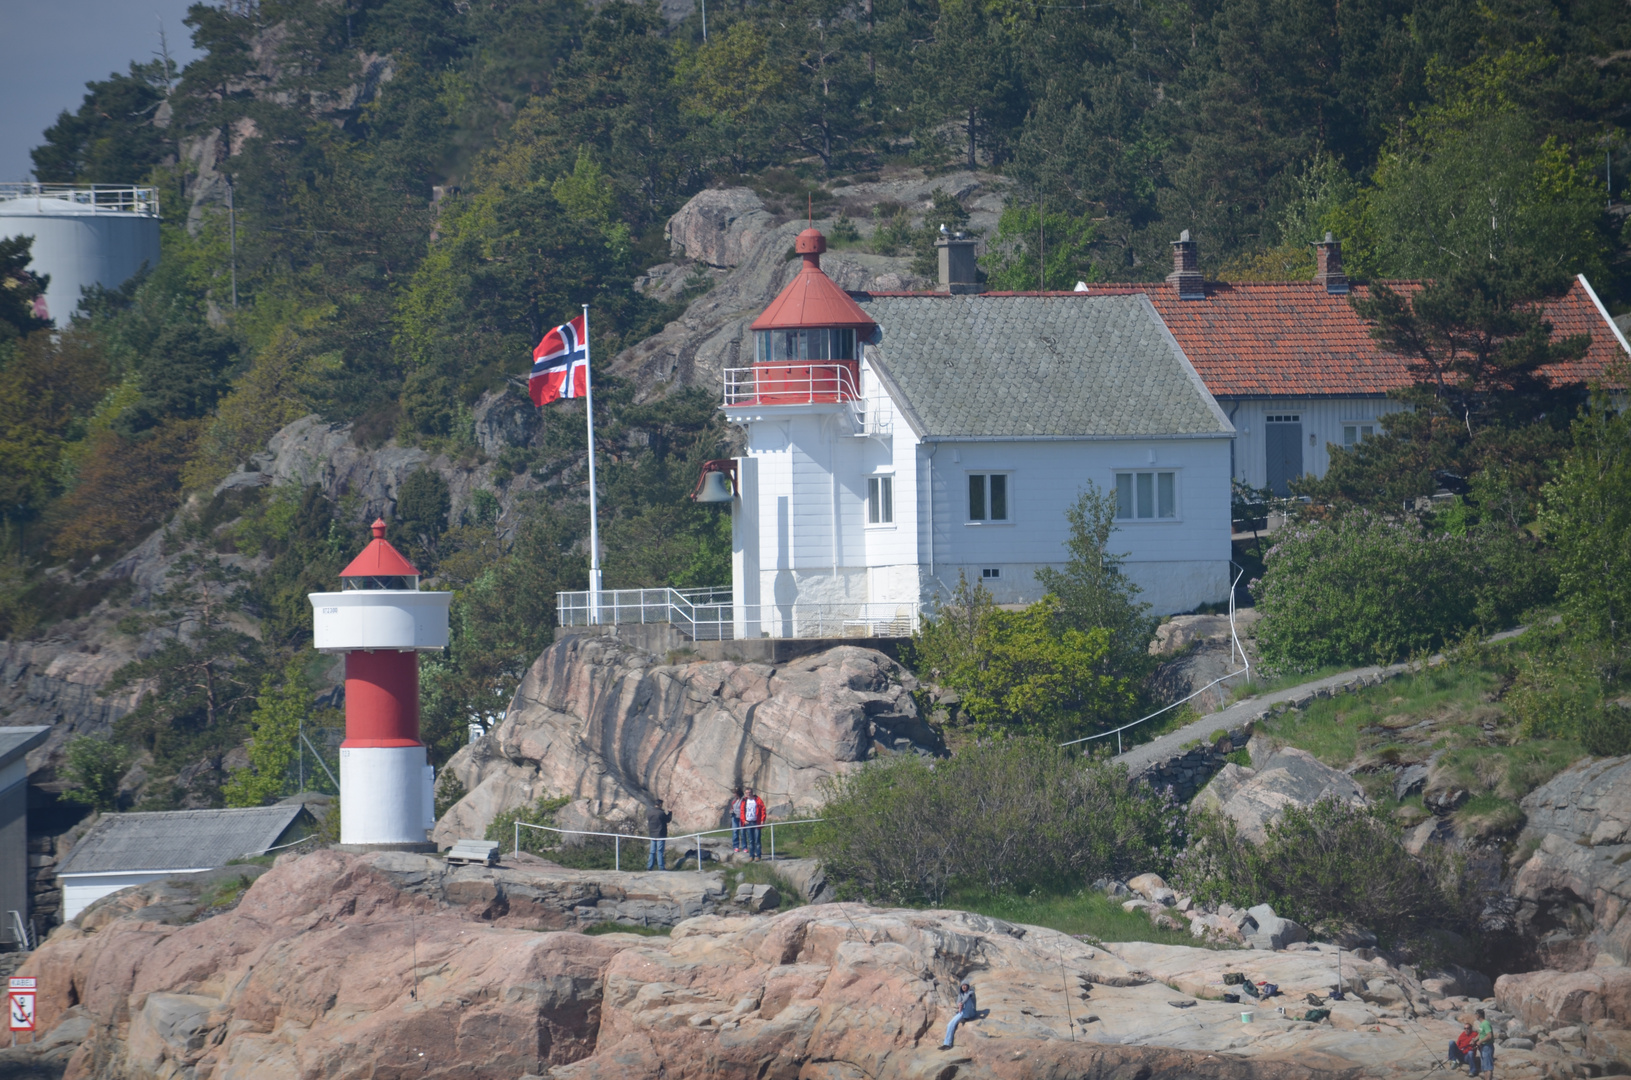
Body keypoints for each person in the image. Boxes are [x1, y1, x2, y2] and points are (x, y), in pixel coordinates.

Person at [941, 981, 977, 1049]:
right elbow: (958, 1001)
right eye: (962, 985)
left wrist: (962, 1003)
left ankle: (966, 1017)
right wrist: (959, 1004)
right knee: (950, 1024)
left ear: (968, 986)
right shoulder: (960, 994)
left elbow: (966, 998)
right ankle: (947, 1044)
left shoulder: (971, 992)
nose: (964, 986)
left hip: (971, 1012)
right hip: (963, 1012)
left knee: (968, 1000)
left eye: (965, 985)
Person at [646, 799, 672, 871]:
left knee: (652, 851)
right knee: (660, 851)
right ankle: (661, 867)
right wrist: (670, 813)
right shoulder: (661, 813)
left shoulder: (649, 812)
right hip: (660, 834)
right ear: (660, 804)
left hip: (652, 834)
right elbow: (668, 820)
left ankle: (649, 867)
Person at [741, 787, 766, 860]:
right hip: (748, 822)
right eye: (747, 793)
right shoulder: (744, 801)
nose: (748, 794)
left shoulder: (757, 800)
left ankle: (758, 855)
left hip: (756, 822)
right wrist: (743, 820)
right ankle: (751, 856)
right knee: (750, 840)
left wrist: (762, 819)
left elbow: (763, 810)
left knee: (757, 839)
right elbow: (742, 811)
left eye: (750, 792)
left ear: (752, 793)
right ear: (745, 794)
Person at [1475, 1008, 1495, 1078]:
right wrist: (1474, 1040)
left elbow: (1489, 1036)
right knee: (1484, 1067)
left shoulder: (1485, 1023)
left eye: (1476, 1014)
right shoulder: (1481, 1024)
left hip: (1487, 1047)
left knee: (1488, 1067)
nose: (1475, 1016)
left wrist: (1480, 1041)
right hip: (1483, 1047)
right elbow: (1480, 1034)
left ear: (1478, 1015)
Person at [728, 786, 744, 853]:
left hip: (741, 817)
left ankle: (744, 847)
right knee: (735, 832)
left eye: (735, 793)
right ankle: (736, 846)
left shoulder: (743, 800)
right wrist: (731, 811)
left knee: (742, 832)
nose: (734, 794)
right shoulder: (734, 801)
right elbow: (732, 808)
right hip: (734, 817)